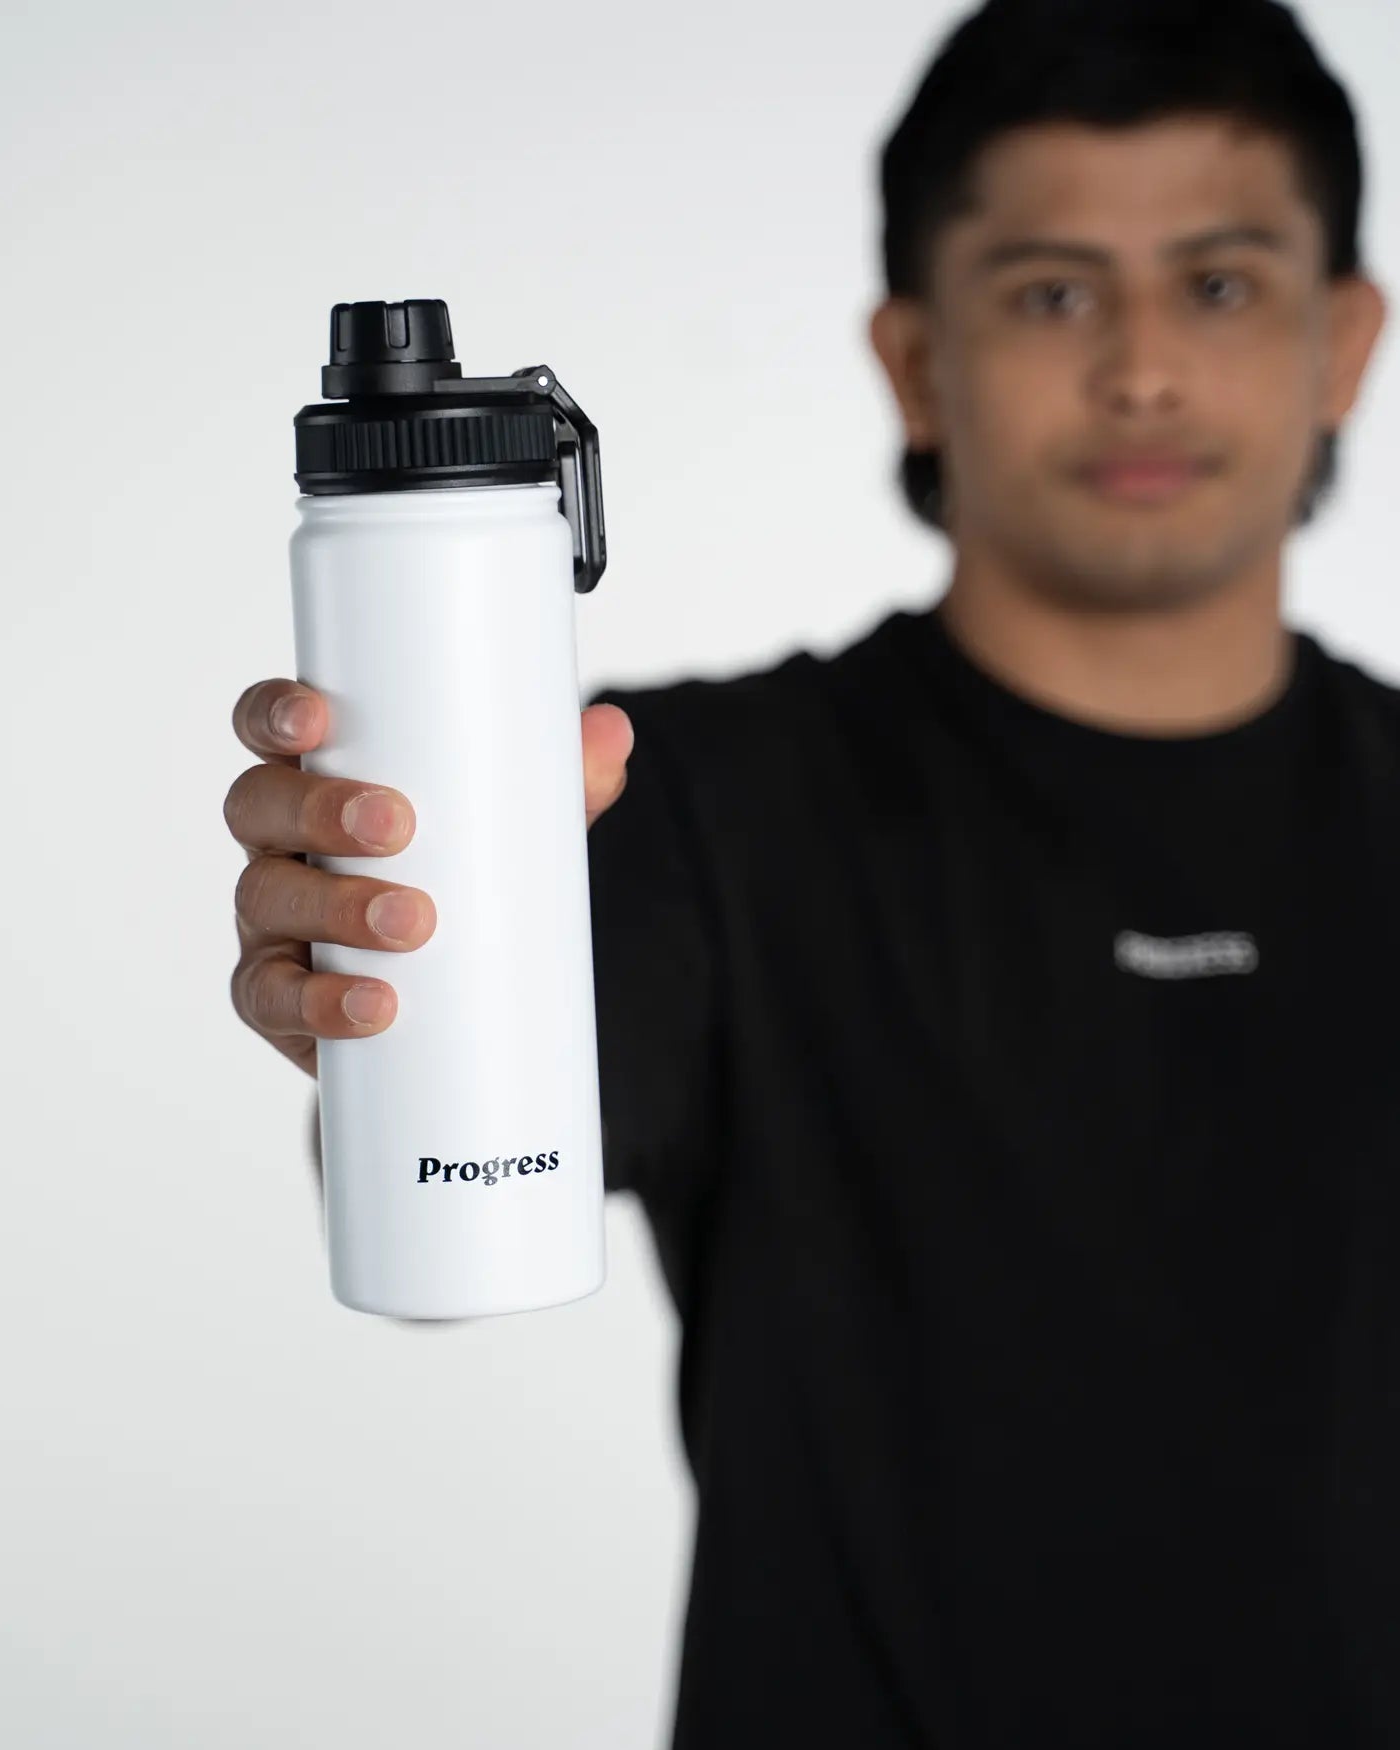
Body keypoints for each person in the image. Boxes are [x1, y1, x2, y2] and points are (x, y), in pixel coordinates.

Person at [223, 0, 1399, 1742]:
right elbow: (454, 1179)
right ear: (915, 358)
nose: (1143, 369)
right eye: (1052, 293)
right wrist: (380, 1002)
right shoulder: (672, 802)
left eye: (1220, 284)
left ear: (1344, 340)